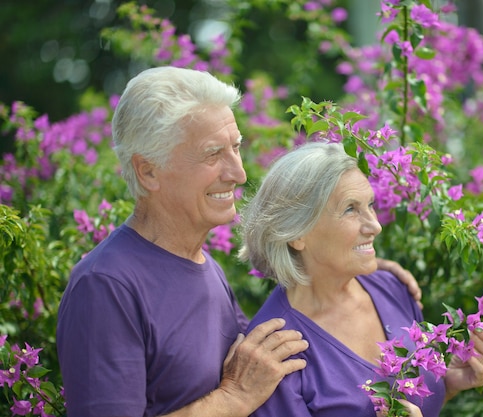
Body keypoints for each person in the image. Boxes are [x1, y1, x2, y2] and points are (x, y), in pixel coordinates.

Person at [56, 66, 422, 417]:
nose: (238, 172)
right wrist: (232, 399)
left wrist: (355, 269)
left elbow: (262, 360)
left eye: (236, 147)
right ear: (148, 170)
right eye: (214, 154)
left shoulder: (203, 267)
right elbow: (243, 386)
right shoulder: (104, 286)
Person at [239, 142, 483, 417]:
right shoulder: (275, 352)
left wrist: (450, 385)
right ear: (296, 233)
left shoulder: (392, 288)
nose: (375, 225)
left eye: (370, 205)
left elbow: (417, 405)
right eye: (350, 209)